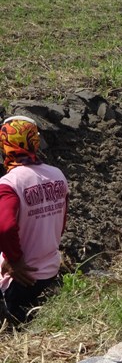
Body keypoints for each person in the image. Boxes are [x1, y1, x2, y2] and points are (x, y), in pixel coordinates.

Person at [0, 116, 69, 325]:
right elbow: (61, 223)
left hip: (21, 278)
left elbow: (4, 228)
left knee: (14, 328)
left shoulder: (10, 183)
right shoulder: (57, 175)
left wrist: (15, 260)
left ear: (5, 144)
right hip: (49, 270)